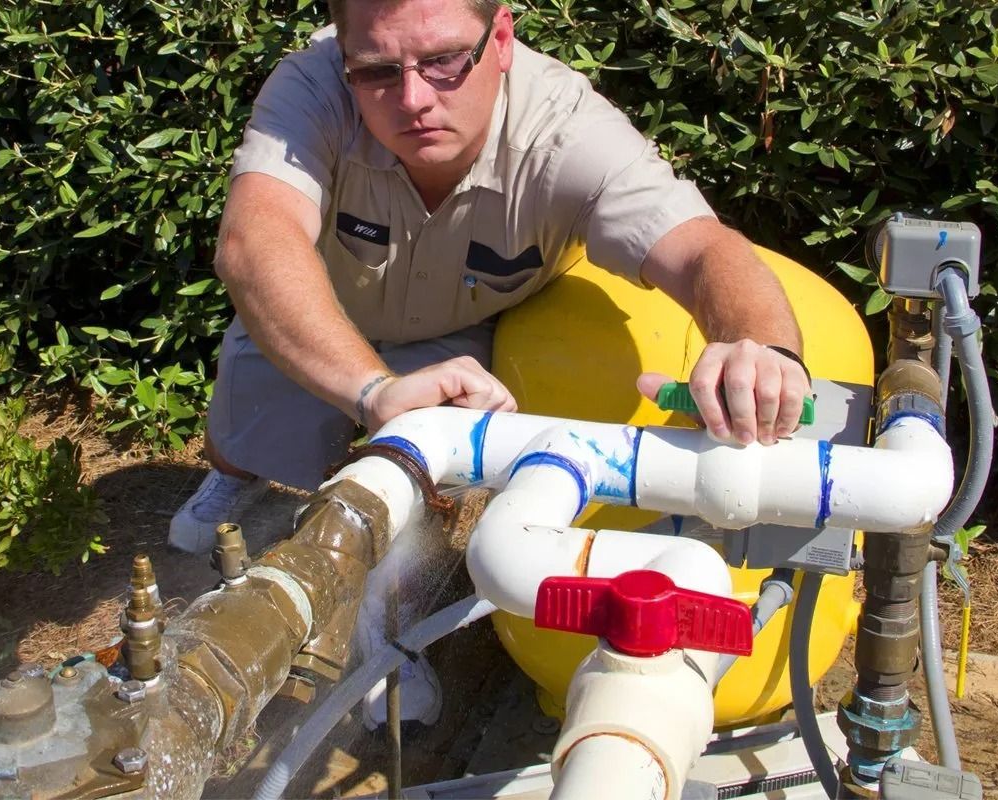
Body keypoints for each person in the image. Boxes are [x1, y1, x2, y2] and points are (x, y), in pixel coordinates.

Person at [169, 0, 811, 728]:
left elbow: (702, 249)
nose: (413, 98)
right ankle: (229, 478)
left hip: (460, 334)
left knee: (418, 486)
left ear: (500, 38)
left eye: (445, 61)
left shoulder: (567, 129)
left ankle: (384, 634)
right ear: (344, 58)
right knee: (242, 430)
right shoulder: (311, 84)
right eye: (378, 71)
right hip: (319, 317)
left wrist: (760, 346)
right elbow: (256, 243)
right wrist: (374, 388)